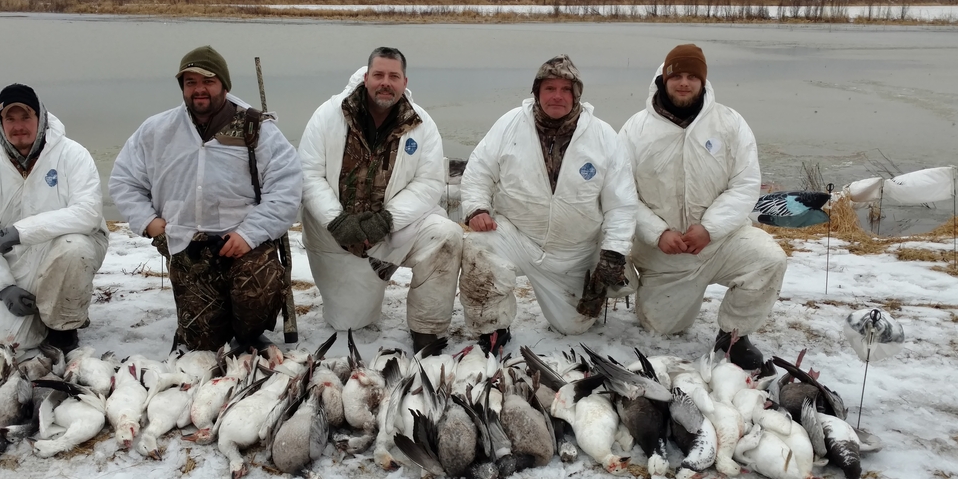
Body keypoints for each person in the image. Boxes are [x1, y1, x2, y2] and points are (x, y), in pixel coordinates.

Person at [109, 46, 301, 352]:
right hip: (187, 245)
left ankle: (249, 333)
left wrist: (248, 235)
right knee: (201, 344)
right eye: (190, 82)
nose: (199, 89)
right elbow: (123, 180)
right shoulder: (157, 130)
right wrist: (149, 222)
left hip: (242, 245)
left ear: (224, 85)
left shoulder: (256, 128)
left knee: (257, 290)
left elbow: (287, 188)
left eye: (208, 81)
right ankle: (206, 326)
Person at [619, 44, 787, 368]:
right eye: (677, 76)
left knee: (769, 260)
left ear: (703, 81)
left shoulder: (730, 123)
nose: (684, 83)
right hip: (665, 255)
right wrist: (657, 233)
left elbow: (745, 183)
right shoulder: (635, 130)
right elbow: (622, 194)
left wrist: (710, 229)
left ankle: (733, 337)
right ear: (663, 79)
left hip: (721, 243)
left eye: (692, 76)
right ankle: (648, 291)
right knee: (662, 328)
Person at [458, 55, 637, 352]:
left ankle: (598, 285)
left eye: (566, 89)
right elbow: (479, 170)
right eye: (549, 88)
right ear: (536, 92)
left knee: (573, 327)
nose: (557, 96)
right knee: (478, 248)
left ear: (577, 94)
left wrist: (614, 252)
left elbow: (622, 204)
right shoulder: (509, 124)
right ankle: (493, 330)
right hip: (517, 236)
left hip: (573, 252)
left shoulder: (604, 136)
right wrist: (477, 208)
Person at [299, 47, 462, 356]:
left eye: (393, 76)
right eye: (379, 75)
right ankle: (359, 293)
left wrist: (387, 220)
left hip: (394, 230)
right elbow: (308, 174)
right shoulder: (328, 115)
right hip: (337, 236)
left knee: (446, 236)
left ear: (404, 81)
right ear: (366, 76)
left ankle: (427, 330)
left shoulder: (422, 123)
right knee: (349, 324)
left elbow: (428, 183)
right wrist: (336, 220)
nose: (385, 82)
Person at [0, 83, 109, 353]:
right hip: (17, 261)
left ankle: (64, 326)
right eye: (10, 118)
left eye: (26, 116)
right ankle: (36, 306)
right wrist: (3, 287)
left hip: (70, 248)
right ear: (0, 123)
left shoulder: (73, 155)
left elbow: (88, 213)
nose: (19, 126)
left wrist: (22, 231)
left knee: (73, 248)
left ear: (40, 118)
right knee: (11, 345)